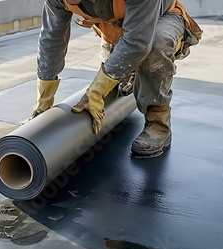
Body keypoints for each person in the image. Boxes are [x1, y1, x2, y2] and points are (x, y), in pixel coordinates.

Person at [31, 0, 202, 158]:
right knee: (117, 86)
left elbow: (138, 42)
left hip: (161, 18)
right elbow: (51, 39)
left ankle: (158, 124)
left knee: (156, 43)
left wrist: (97, 90)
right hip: (117, 27)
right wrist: (44, 98)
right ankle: (129, 71)